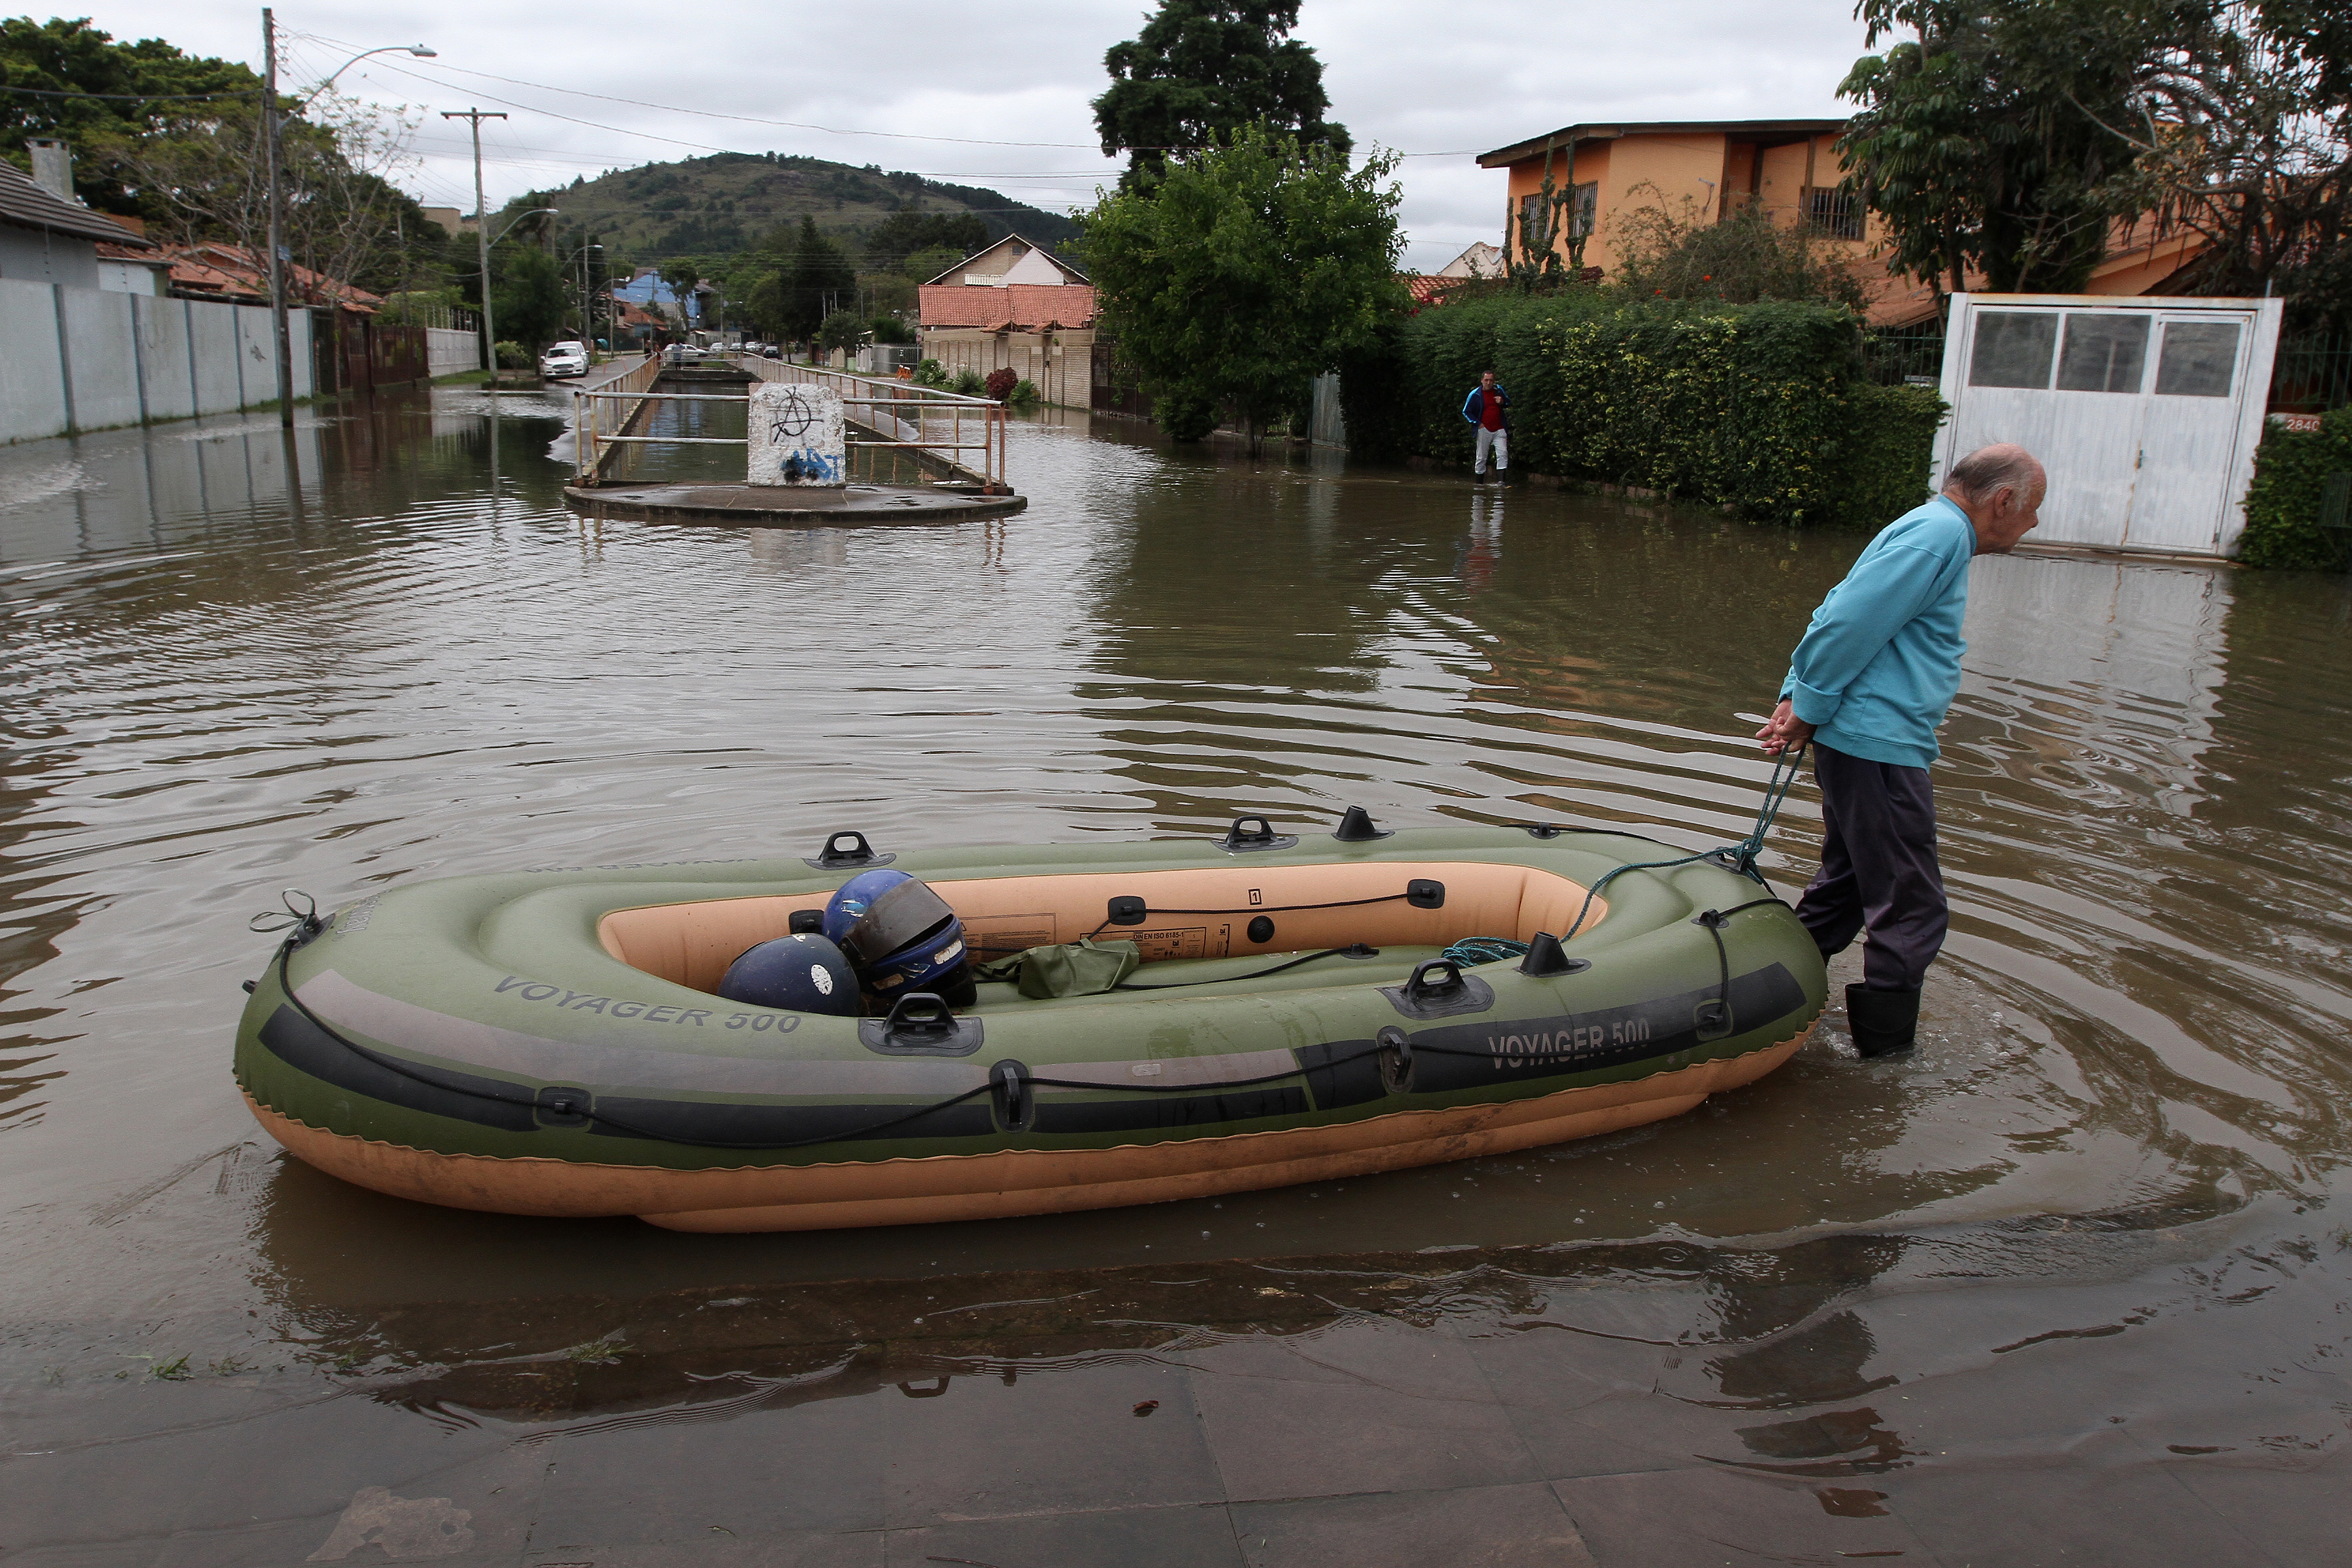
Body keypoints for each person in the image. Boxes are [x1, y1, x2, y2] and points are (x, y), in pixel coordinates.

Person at [1755, 443, 2045, 1058]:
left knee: (1852, 886)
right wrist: (1805, 705)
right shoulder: (1939, 535)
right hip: (1878, 743)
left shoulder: (1928, 528)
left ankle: (1762, 996)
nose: (2035, 523)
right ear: (2004, 501)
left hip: (1868, 737)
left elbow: (1837, 607)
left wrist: (1800, 698)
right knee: (1912, 906)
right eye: (2034, 509)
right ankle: (1885, 1072)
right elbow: (1849, 621)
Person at [1460, 370, 1510, 483]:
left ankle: (1501, 482)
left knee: (1503, 454)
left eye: (1491, 380)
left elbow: (1508, 403)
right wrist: (1479, 424)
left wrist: (1502, 402)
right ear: (1482, 380)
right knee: (1481, 457)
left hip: (1499, 428)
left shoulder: (1498, 390)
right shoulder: (1475, 394)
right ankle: (1479, 483)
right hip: (1484, 429)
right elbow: (1466, 412)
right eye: (1486, 380)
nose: (1489, 383)